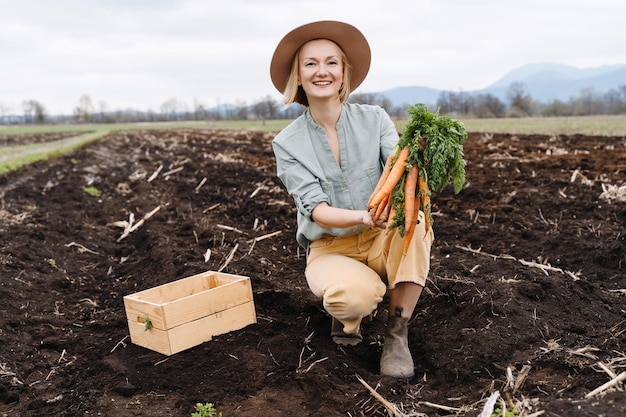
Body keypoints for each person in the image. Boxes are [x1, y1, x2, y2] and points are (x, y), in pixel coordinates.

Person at [269, 20, 434, 379]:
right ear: (297, 76)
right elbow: (318, 210)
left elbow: (400, 170)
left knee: (417, 223)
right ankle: (351, 314)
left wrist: (419, 158)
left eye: (331, 62)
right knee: (352, 299)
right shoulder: (287, 143)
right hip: (332, 248)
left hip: (382, 238)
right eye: (310, 63)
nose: (321, 71)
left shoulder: (375, 119)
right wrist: (363, 216)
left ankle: (396, 334)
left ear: (345, 72)